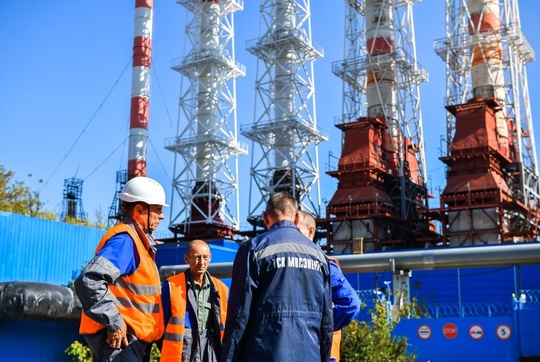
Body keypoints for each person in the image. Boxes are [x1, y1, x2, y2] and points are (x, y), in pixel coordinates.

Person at [221, 192, 333, 362]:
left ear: (265, 218)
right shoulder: (319, 255)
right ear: (296, 218)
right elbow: (326, 321)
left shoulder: (254, 249)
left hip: (265, 354)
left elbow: (239, 313)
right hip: (310, 355)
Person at [75, 176, 168, 361]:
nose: (162, 216)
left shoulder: (137, 243)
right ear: (139, 209)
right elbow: (89, 281)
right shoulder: (125, 241)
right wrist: (115, 323)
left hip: (130, 344)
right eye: (157, 209)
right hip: (121, 344)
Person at [297, 210, 362, 362]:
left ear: (311, 231)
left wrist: (312, 328)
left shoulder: (324, 265)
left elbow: (350, 305)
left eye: (297, 230)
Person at [160, 239, 229, 362]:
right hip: (183, 348)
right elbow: (161, 323)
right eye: (197, 257)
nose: (201, 262)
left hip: (211, 346)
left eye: (205, 257)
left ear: (210, 258)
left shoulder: (221, 288)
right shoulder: (172, 286)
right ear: (187, 259)